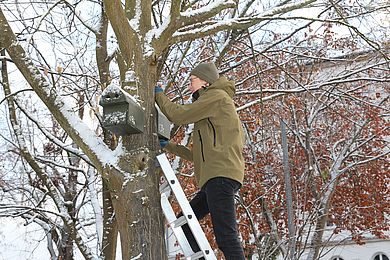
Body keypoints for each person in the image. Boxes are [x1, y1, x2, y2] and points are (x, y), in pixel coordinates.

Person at [155, 62, 246, 260]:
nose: (189, 86)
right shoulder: (211, 106)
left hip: (220, 176)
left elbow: (179, 115)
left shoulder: (217, 97)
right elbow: (198, 156)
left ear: (205, 81)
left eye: (192, 81)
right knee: (185, 225)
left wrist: (159, 95)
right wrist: (168, 145)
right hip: (214, 178)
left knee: (226, 237)